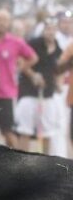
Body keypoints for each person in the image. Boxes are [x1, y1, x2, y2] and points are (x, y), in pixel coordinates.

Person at [0, 9, 37, 148]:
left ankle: (16, 158)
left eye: (5, 20)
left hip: (6, 93)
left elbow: (33, 57)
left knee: (8, 132)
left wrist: (20, 68)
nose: (2, 23)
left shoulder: (15, 42)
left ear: (9, 23)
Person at [15, 18, 62, 154]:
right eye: (48, 29)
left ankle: (45, 161)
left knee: (47, 132)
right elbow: (21, 63)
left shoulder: (58, 49)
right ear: (43, 30)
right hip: (29, 93)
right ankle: (22, 159)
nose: (51, 32)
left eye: (53, 29)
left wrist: (57, 83)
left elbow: (57, 71)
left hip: (47, 95)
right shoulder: (33, 44)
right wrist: (33, 75)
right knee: (25, 130)